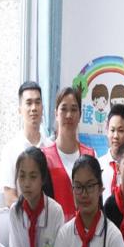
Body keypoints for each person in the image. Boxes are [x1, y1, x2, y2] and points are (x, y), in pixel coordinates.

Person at [42, 87, 96, 221]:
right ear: (56, 113)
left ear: (80, 114)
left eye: (73, 109)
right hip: (54, 228)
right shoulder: (45, 156)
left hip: (84, 227)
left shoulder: (89, 155)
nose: (69, 115)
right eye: (64, 109)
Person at [1, 81, 51, 206]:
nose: (34, 108)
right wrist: (32, 213)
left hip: (50, 216)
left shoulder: (50, 147)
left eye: (38, 103)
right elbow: (9, 197)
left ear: (42, 108)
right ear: (20, 110)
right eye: (29, 103)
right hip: (22, 217)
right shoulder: (10, 150)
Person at [98, 104, 124, 203]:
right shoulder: (98, 165)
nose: (115, 136)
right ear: (107, 131)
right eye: (112, 130)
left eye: (120, 131)